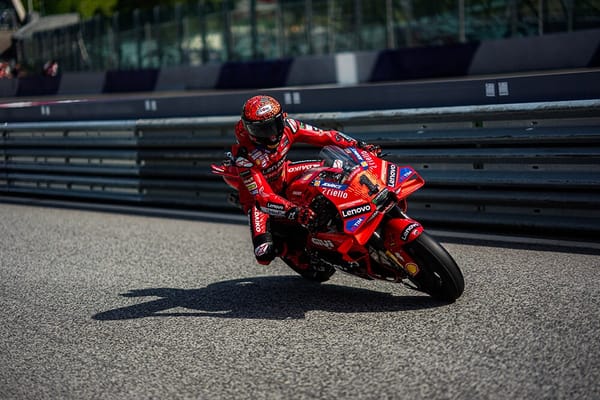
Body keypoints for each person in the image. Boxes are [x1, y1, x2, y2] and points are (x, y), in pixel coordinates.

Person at [227, 94, 380, 266]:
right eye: (261, 130)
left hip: (283, 174)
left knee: (334, 168)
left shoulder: (290, 127)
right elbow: (263, 197)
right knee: (263, 254)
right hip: (259, 200)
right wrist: (294, 210)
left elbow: (325, 136)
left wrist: (359, 146)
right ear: (249, 130)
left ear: (282, 119)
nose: (270, 136)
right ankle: (289, 250)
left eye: (273, 126)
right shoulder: (245, 156)